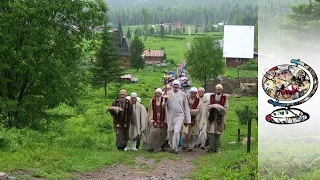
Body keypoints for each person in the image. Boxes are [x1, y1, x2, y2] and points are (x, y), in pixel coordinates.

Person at [163, 80, 191, 154]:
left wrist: (188, 119)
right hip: (170, 115)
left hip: (180, 115)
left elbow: (186, 107)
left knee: (176, 131)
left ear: (179, 86)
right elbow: (163, 106)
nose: (175, 86)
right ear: (172, 85)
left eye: (177, 85)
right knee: (171, 132)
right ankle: (172, 146)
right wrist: (165, 100)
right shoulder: (167, 93)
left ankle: (175, 148)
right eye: (174, 85)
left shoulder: (183, 94)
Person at [207, 84, 228, 153]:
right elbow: (209, 105)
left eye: (219, 89)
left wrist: (220, 108)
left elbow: (225, 108)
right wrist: (211, 107)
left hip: (220, 117)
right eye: (216, 89)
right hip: (212, 116)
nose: (217, 91)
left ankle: (217, 147)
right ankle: (211, 147)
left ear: (222, 90)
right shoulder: (212, 96)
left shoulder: (225, 97)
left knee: (218, 132)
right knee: (211, 131)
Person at [182, 87, 201, 151]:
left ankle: (190, 146)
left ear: (196, 93)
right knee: (185, 132)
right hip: (186, 118)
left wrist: (189, 111)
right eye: (192, 93)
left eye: (195, 93)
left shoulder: (199, 100)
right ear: (190, 93)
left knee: (192, 133)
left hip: (194, 119)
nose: (193, 95)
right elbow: (183, 107)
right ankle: (184, 145)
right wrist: (187, 111)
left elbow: (197, 110)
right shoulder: (186, 98)